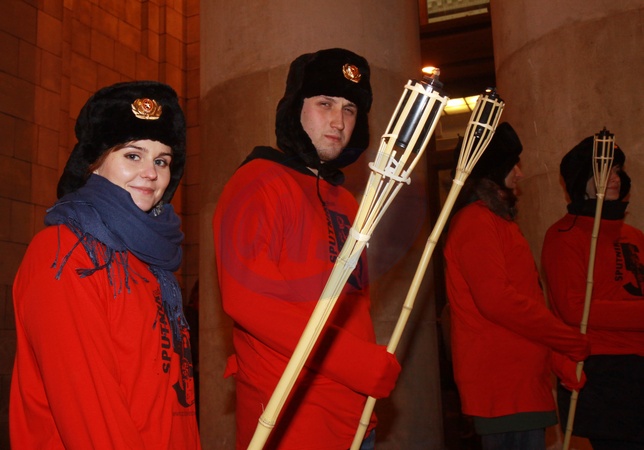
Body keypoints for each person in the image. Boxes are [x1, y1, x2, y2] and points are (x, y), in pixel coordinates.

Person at [212, 48, 401, 449]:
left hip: (356, 415)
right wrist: (358, 362)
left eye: (350, 109)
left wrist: (366, 367)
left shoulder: (346, 200)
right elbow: (250, 300)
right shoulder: (257, 183)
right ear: (295, 108)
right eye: (325, 104)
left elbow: (354, 305)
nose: (339, 121)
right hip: (291, 421)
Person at [10, 81, 201, 449]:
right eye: (133, 155)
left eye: (161, 160)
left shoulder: (152, 261)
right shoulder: (64, 252)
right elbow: (88, 410)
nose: (151, 173)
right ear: (95, 164)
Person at [442, 122, 591, 449]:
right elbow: (498, 301)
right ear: (493, 171)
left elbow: (527, 304)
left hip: (521, 384)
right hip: (503, 385)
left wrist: (557, 358)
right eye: (513, 165)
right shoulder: (475, 221)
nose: (520, 174)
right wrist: (567, 340)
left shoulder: (497, 221)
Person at [541, 136, 644, 450]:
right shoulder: (564, 235)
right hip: (604, 369)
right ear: (581, 181)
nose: (614, 177)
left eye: (617, 170)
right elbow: (573, 308)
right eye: (603, 170)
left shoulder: (634, 235)